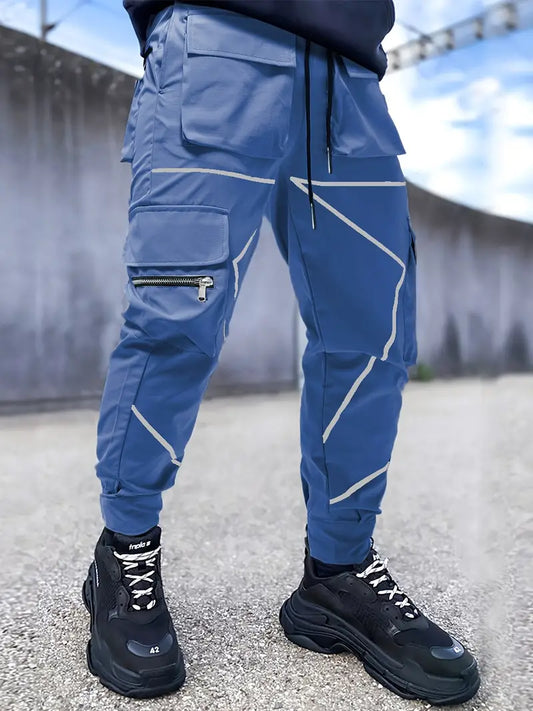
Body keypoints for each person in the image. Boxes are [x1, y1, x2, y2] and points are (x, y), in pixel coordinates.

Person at [82, 0, 480, 703]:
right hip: (216, 43)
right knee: (175, 320)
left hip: (348, 76)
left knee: (373, 338)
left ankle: (337, 574)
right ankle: (125, 555)